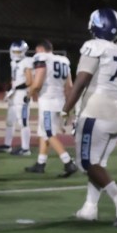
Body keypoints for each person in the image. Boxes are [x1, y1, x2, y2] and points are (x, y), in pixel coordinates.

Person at [60, 8, 117, 225]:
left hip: (97, 112)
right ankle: (89, 207)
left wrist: (65, 109)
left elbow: (81, 82)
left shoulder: (94, 47)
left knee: (86, 163)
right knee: (98, 164)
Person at [24, 40, 78, 177]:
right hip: (60, 101)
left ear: (40, 49)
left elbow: (37, 84)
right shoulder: (63, 60)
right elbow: (69, 86)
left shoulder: (41, 58)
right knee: (43, 133)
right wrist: (68, 108)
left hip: (48, 102)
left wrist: (28, 94)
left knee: (49, 133)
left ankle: (68, 162)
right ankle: (40, 164)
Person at [0, 40, 33, 155]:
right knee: (10, 121)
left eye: (18, 51)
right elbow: (14, 79)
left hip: (22, 95)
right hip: (14, 94)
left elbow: (29, 81)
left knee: (23, 122)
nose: (16, 54)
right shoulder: (13, 62)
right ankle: (7, 145)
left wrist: (15, 88)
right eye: (14, 51)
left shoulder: (27, 62)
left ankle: (26, 148)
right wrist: (10, 90)